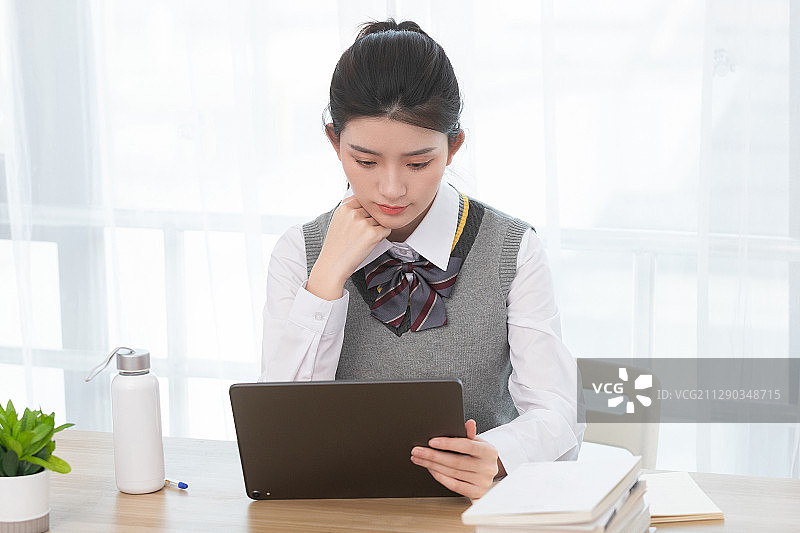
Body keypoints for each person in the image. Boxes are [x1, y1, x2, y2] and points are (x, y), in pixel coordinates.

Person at [260, 19, 584, 499]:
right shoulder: (298, 252)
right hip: (335, 511)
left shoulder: (512, 248)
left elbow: (559, 411)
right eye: (365, 162)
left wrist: (499, 455)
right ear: (335, 143)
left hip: (473, 511)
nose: (391, 188)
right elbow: (279, 432)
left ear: (453, 147)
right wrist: (326, 278)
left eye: (417, 163)